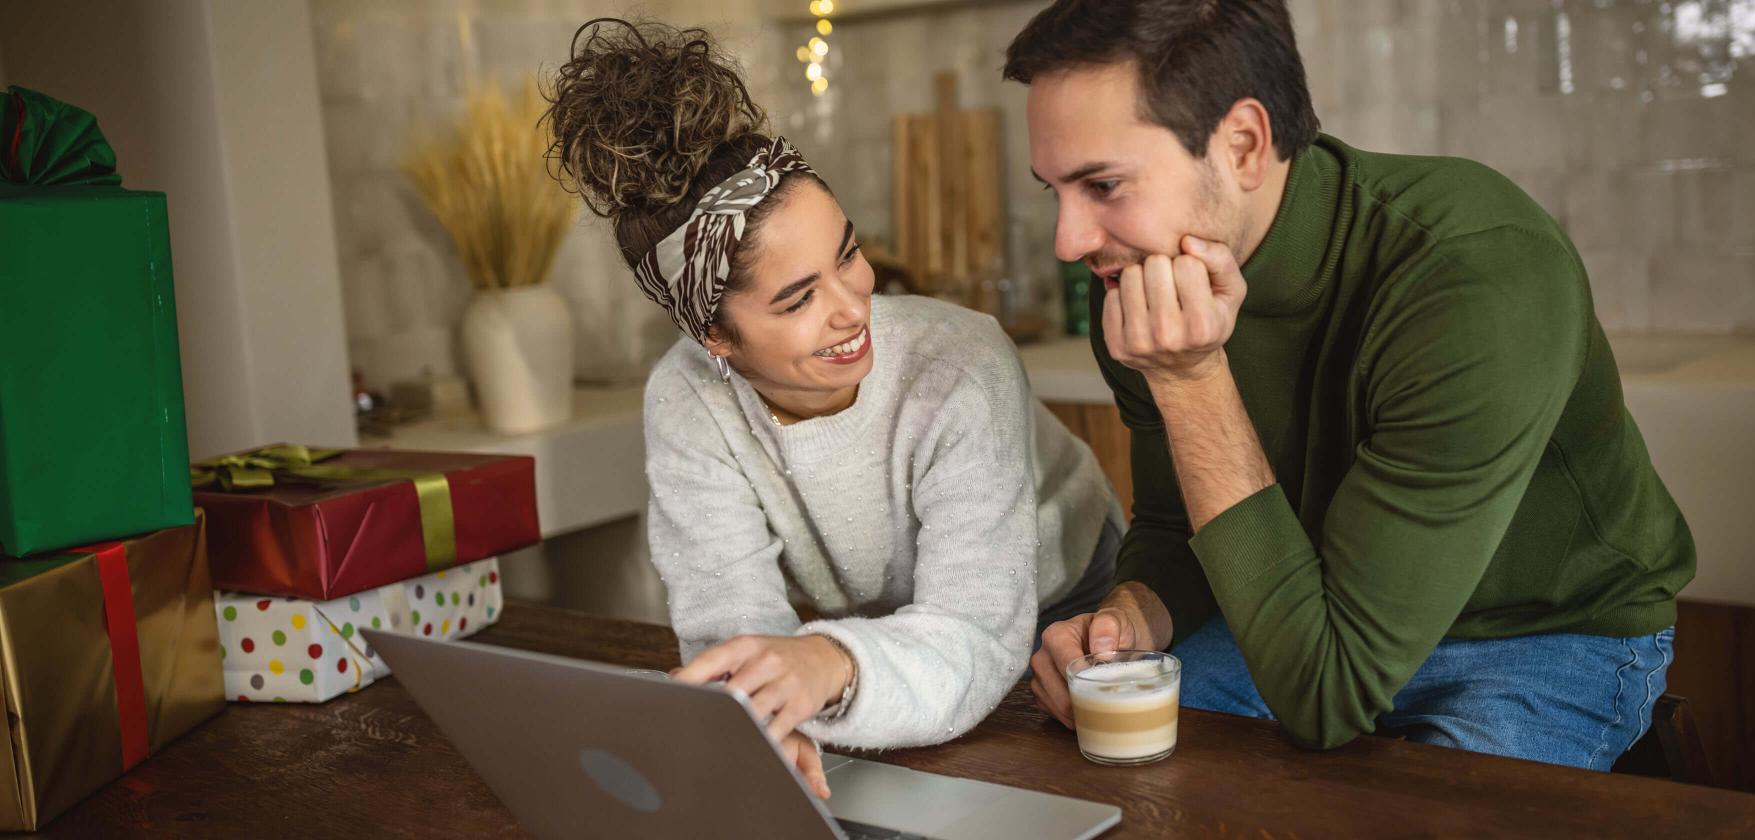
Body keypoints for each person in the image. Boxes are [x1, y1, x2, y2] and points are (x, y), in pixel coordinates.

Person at [1009, 0, 1695, 771]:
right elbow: (1177, 524)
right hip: (1301, 614)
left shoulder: (1476, 274)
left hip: (1540, 633)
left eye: (1102, 185)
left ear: (1242, 146)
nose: (1070, 240)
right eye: (1053, 191)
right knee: (1106, 768)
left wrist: (1192, 380)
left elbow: (1327, 696)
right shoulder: (1139, 285)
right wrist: (1134, 612)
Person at [545, 18, 1123, 797]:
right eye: (797, 299)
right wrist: (766, 717)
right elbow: (735, 627)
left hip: (1064, 622)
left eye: (848, 254)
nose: (853, 307)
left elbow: (977, 632)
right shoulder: (685, 400)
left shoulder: (961, 363)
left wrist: (826, 666)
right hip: (886, 649)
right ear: (715, 335)